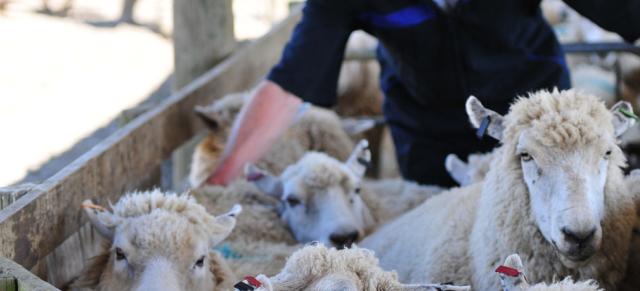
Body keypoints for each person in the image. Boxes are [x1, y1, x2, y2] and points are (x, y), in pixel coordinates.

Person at [208, 0, 640, 187]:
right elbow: (290, 83)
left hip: (535, 130)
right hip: (427, 140)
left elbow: (626, 12)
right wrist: (222, 179)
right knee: (446, 251)